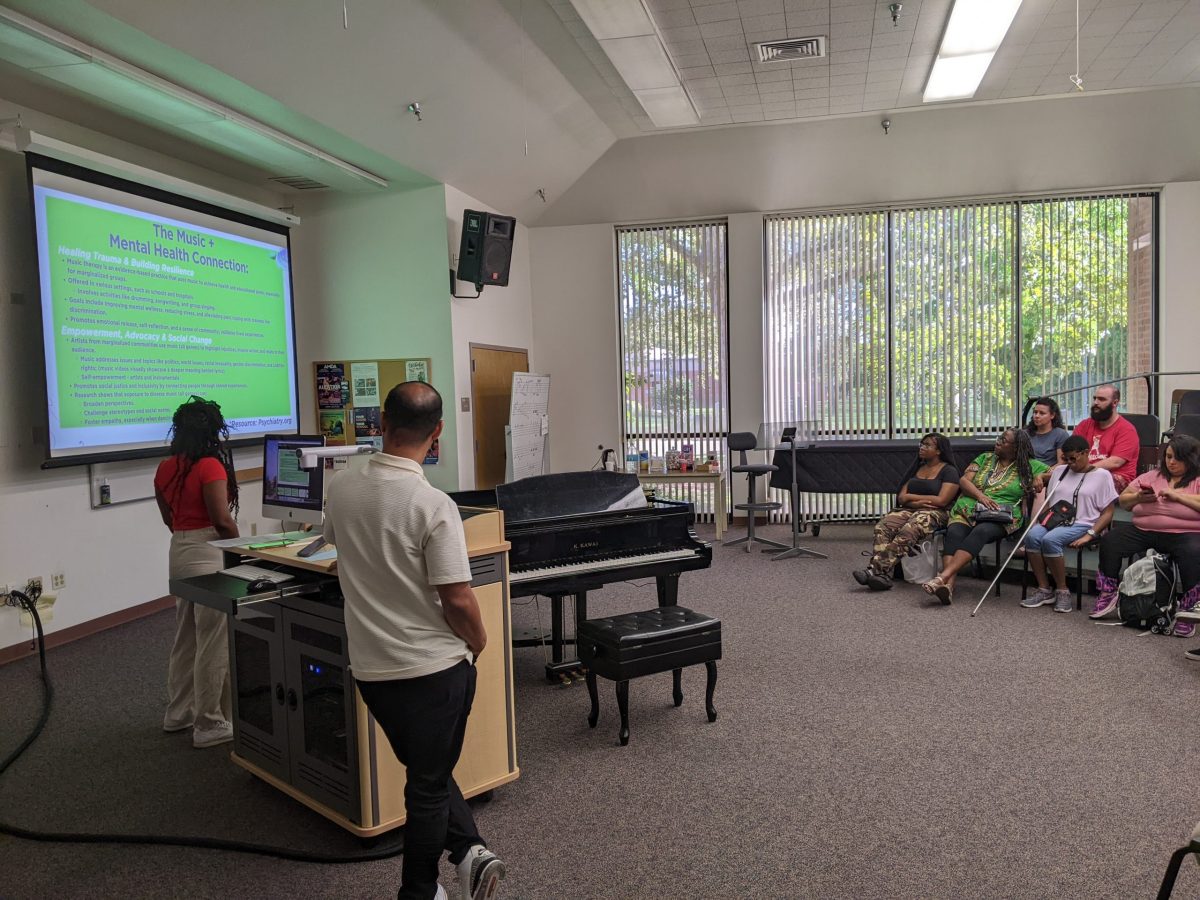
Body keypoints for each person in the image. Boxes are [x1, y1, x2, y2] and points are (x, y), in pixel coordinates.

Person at [323, 381, 505, 900]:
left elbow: (342, 552)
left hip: (374, 672)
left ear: (381, 423)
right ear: (439, 433)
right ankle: (419, 891)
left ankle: (470, 850)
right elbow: (458, 599)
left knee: (427, 767)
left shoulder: (342, 489)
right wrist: (479, 641)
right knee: (427, 784)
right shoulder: (433, 504)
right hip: (433, 670)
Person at [153, 396, 239, 749]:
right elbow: (221, 520)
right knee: (213, 641)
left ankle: (179, 713)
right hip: (209, 551)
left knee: (186, 636)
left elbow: (169, 519)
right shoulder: (210, 467)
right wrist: (241, 550)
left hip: (181, 549)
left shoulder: (165, 467)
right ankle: (209, 723)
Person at [1090, 435, 1200, 638]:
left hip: (1184, 533)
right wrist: (1139, 497)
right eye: (1168, 457)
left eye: (1177, 458)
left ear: (1191, 459)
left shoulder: (1197, 479)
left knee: (1193, 551)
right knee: (1111, 540)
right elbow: (1124, 501)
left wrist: (1178, 496)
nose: (1171, 462)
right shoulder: (1153, 476)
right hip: (1144, 530)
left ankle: (1188, 609)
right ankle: (1108, 592)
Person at [922, 428, 1048, 605]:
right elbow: (964, 481)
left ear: (1016, 447)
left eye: (1004, 440)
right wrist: (980, 496)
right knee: (955, 534)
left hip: (1000, 515)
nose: (998, 441)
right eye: (999, 438)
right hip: (968, 508)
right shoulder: (985, 458)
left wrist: (1041, 476)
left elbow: (1059, 470)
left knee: (980, 532)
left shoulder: (1030, 465)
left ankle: (942, 577)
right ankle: (948, 586)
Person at [1019, 435, 1118, 614]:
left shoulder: (1102, 475)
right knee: (1032, 536)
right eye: (1066, 459)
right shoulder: (1060, 471)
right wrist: (1039, 477)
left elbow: (1108, 512)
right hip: (1056, 519)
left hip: (1083, 522)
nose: (1070, 463)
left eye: (1074, 458)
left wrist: (1091, 534)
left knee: (1050, 540)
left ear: (1086, 453)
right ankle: (1044, 589)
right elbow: (1048, 489)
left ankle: (1062, 590)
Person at [853, 433, 959, 591]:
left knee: (909, 529)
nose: (922, 447)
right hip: (910, 509)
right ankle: (883, 576)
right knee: (883, 526)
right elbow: (902, 497)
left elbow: (942, 500)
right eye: (921, 444)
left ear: (939, 451)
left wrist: (912, 498)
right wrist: (915, 500)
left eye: (927, 445)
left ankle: (875, 570)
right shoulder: (917, 468)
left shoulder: (949, 471)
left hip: (936, 513)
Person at [1072, 384, 1140, 491]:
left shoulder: (1127, 429)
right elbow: (1071, 451)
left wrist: (1084, 469)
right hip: (1085, 472)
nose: (1096, 403)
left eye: (1101, 399)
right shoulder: (1085, 425)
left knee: (1084, 487)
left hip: (1116, 477)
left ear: (1115, 403)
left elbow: (1115, 462)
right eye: (1095, 398)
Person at [1025, 396, 1069, 466]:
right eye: (1035, 412)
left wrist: (1044, 475)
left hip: (1049, 474)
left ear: (1052, 415)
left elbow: (1061, 463)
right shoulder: (1026, 433)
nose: (1037, 416)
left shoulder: (1061, 435)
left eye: (1042, 413)